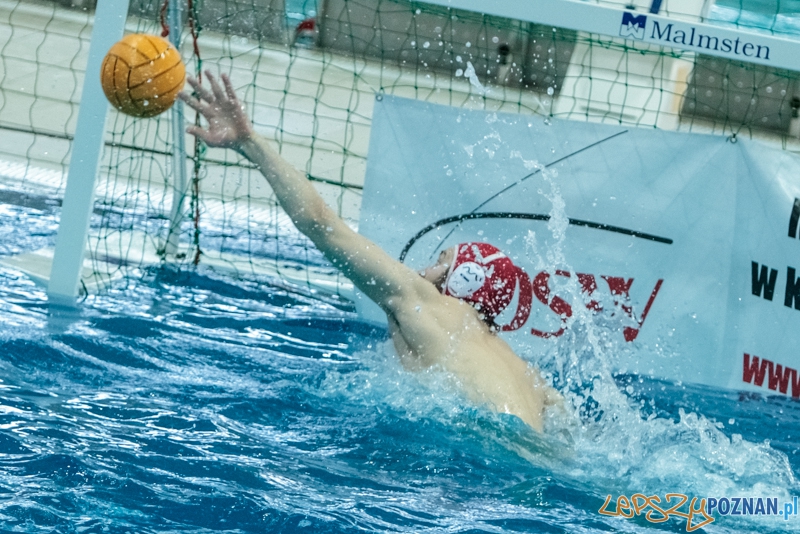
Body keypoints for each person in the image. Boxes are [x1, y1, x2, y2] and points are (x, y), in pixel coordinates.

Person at [180, 72, 560, 432]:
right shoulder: (528, 375)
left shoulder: (425, 303)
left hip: (489, 459)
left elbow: (321, 223)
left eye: (439, 262)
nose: (422, 269)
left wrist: (250, 142)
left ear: (458, 282)